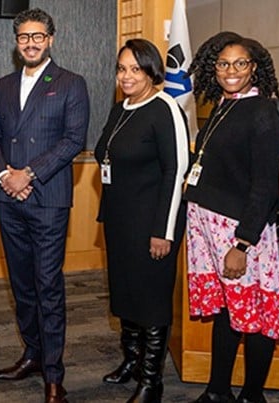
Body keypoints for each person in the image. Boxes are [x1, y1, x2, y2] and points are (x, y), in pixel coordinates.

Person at [0, 8, 90, 403]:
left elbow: (73, 140)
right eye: (24, 37)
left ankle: (53, 375)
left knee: (48, 286)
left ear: (51, 39)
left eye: (38, 36)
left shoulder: (71, 83)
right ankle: (32, 354)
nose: (30, 43)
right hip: (9, 199)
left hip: (47, 200)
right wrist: (4, 176)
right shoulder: (3, 85)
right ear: (17, 42)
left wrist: (27, 174)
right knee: (21, 285)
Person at [183, 33, 279, 403]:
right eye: (223, 63)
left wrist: (242, 244)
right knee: (228, 311)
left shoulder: (262, 113)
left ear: (254, 68)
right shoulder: (224, 106)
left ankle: (252, 395)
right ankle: (217, 390)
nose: (231, 70)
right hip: (209, 228)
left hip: (241, 232)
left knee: (253, 312)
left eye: (240, 63)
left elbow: (265, 186)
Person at [94, 38, 189, 403]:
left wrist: (163, 231)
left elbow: (176, 171)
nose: (127, 76)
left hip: (153, 224)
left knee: (151, 300)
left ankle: (151, 381)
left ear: (152, 71)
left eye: (135, 69)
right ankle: (131, 362)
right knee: (126, 293)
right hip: (120, 222)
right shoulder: (120, 108)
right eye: (122, 69)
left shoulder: (165, 108)